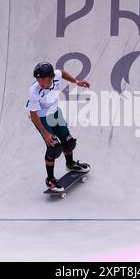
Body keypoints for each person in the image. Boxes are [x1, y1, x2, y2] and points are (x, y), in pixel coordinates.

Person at [25, 61, 91, 192]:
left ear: (51, 77)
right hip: (40, 117)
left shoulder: (56, 75)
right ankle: (50, 179)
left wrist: (76, 81)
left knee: (69, 142)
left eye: (43, 79)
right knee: (54, 148)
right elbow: (33, 115)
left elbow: (62, 72)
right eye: (38, 79)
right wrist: (45, 134)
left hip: (55, 112)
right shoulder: (34, 91)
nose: (40, 82)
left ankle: (70, 164)